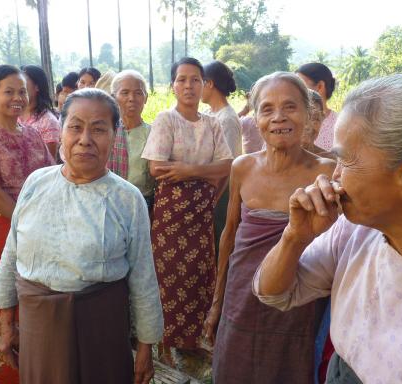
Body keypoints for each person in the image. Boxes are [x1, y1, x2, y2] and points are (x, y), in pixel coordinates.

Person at [254, 72, 402, 383]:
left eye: (345, 161)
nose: (334, 175)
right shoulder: (353, 232)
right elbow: (273, 293)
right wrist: (294, 238)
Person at [0, 88, 163, 384]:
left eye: (98, 129)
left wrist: (146, 347)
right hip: (39, 325)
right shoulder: (36, 183)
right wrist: (6, 324)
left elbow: (143, 276)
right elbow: (11, 254)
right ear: (61, 132)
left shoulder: (127, 198)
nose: (85, 139)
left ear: (114, 135)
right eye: (75, 127)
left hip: (101, 326)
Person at [203, 72, 334, 383]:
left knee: (289, 366)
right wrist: (218, 302)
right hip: (241, 293)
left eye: (290, 107)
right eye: (267, 109)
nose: (279, 118)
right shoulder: (243, 167)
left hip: (298, 297)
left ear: (308, 113)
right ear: (255, 117)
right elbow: (229, 236)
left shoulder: (327, 172)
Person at [0, 65, 55, 383]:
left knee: (36, 292)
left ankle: (39, 366)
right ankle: (9, 372)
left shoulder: (32, 134)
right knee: (2, 297)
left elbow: (52, 176)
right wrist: (26, 226)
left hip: (40, 224)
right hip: (2, 225)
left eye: (22, 91)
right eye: (9, 91)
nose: (18, 97)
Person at [141, 57, 233, 363]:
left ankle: (192, 340)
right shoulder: (166, 120)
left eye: (195, 79)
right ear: (173, 86)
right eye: (182, 80)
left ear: (205, 84)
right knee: (167, 277)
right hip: (171, 215)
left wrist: (189, 170)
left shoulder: (213, 123)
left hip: (201, 211)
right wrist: (204, 171)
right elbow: (157, 167)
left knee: (198, 275)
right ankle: (165, 346)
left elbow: (227, 166)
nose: (189, 85)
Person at [201, 60, 243, 254]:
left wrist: (214, 200)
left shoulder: (227, 119)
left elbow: (228, 166)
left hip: (221, 191)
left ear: (209, 83)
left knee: (217, 244)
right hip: (209, 189)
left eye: (199, 81)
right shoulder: (209, 113)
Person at [109, 70, 155, 209]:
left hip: (141, 202)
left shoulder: (153, 134)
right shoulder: (105, 131)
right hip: (107, 200)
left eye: (138, 93)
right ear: (113, 97)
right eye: (125, 93)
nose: (132, 98)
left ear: (146, 98)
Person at [19, 65, 61, 158]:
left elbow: (49, 161)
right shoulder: (14, 116)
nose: (19, 87)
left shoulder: (48, 121)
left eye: (23, 82)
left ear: (37, 87)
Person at [296, 63, 337, 151]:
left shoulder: (341, 125)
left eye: (300, 85)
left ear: (320, 86)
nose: (294, 90)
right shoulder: (287, 121)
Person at [303, 89, 334, 158]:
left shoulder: (330, 162)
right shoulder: (276, 159)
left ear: (322, 120)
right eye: (303, 117)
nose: (308, 126)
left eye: (315, 119)